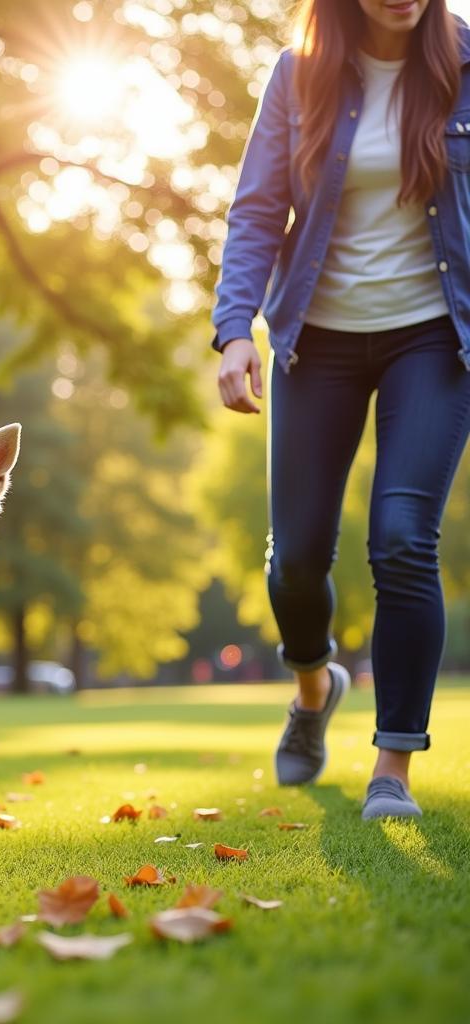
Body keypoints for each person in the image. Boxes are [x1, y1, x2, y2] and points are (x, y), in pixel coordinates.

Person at [211, 0, 470, 819]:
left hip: (433, 341)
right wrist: (233, 332)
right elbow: (257, 209)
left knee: (400, 538)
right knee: (295, 560)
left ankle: (391, 766)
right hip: (314, 342)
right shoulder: (300, 72)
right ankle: (314, 684)